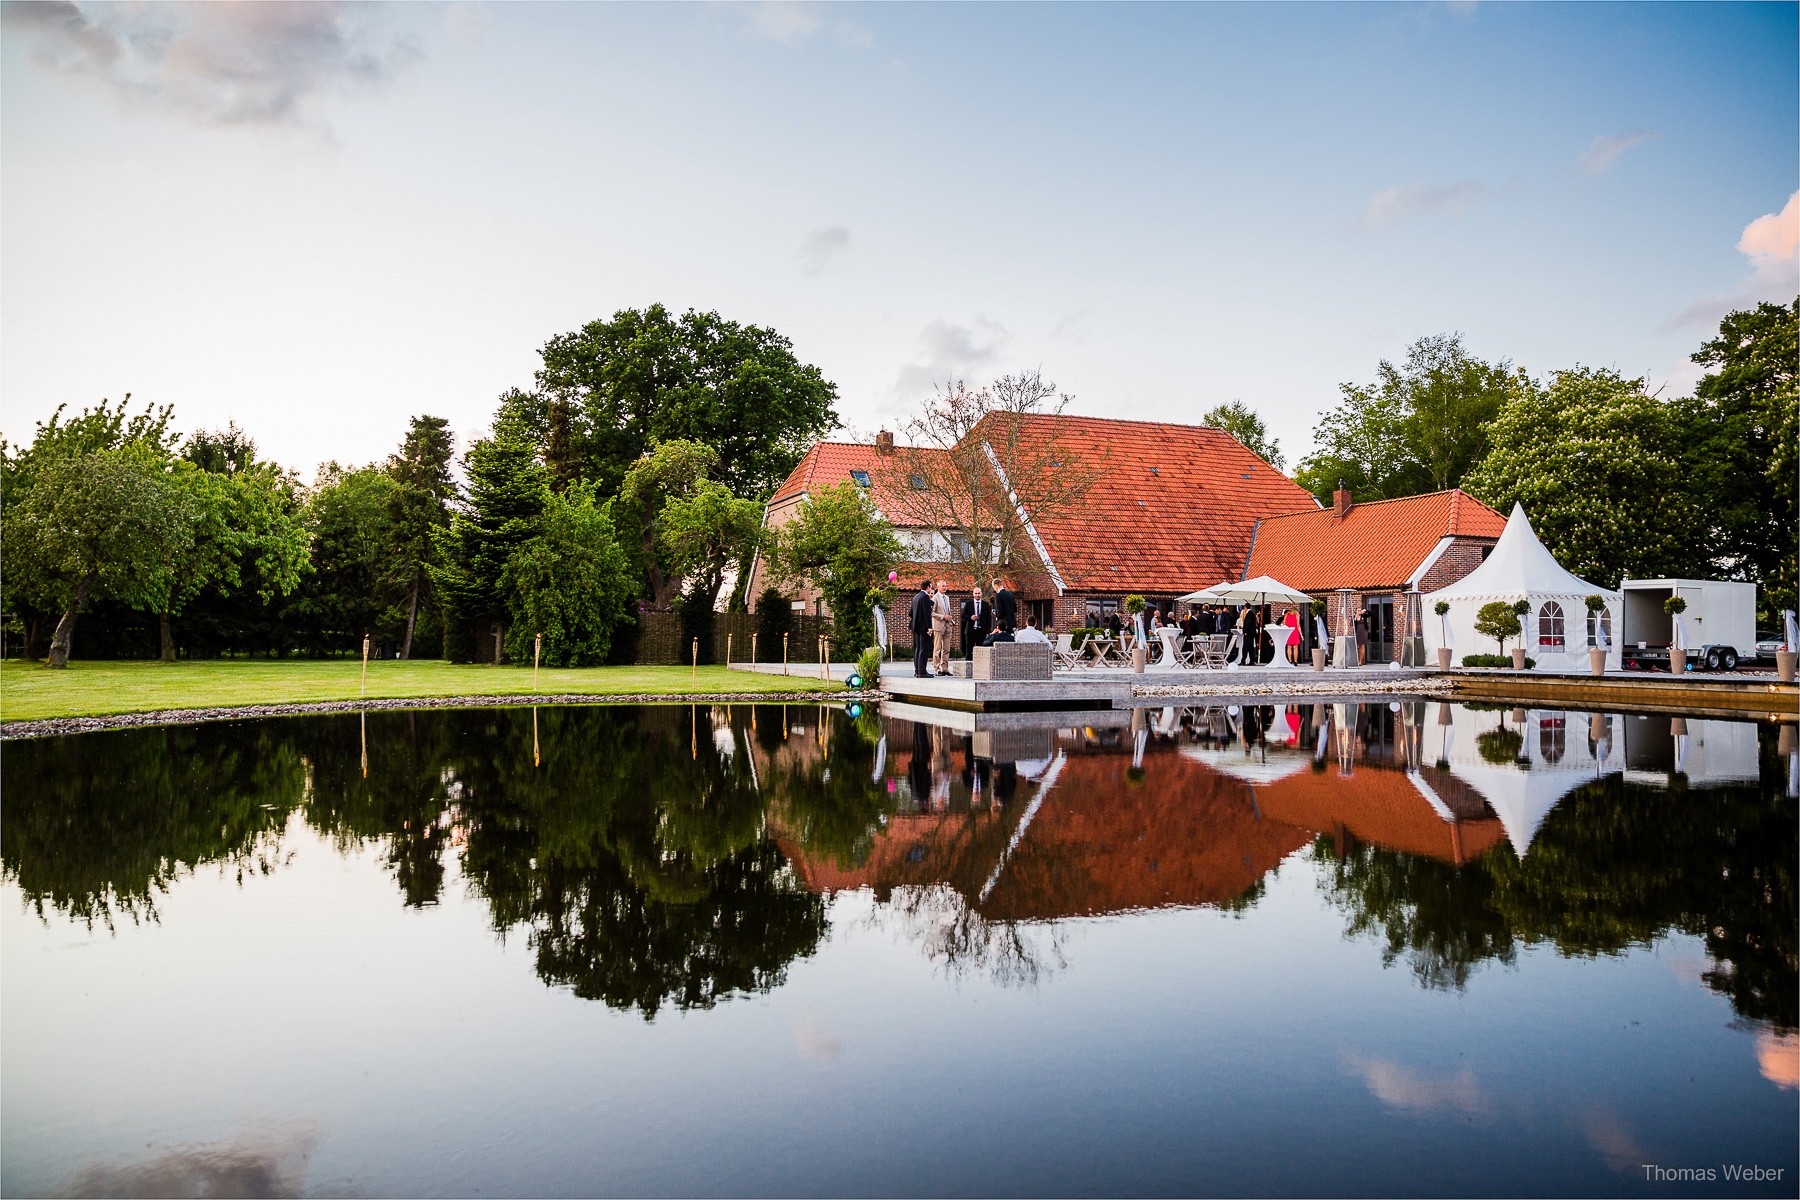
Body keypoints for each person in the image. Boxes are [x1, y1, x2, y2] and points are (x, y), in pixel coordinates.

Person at [909, 579, 935, 677]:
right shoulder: (925, 597)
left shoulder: (915, 597)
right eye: (931, 587)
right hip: (924, 627)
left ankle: (917, 671)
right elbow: (927, 613)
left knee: (918, 649)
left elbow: (910, 613)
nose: (931, 589)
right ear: (927, 587)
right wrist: (929, 627)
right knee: (923, 649)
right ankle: (922, 672)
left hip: (915, 626)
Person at [961, 586, 993, 658]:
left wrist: (988, 630)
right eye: (976, 593)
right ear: (973, 594)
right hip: (971, 630)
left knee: (980, 651)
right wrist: (970, 617)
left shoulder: (986, 604)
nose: (977, 595)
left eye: (979, 593)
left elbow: (988, 618)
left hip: (981, 631)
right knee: (969, 651)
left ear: (981, 594)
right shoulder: (968, 604)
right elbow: (963, 616)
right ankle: (968, 666)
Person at [931, 579, 953, 674]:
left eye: (946, 585)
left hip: (948, 625)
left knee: (947, 648)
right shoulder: (935, 598)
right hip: (938, 625)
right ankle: (936, 668)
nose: (945, 587)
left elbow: (948, 611)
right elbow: (932, 612)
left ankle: (945, 668)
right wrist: (943, 616)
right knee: (937, 648)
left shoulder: (947, 598)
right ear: (938, 587)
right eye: (943, 586)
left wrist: (951, 620)